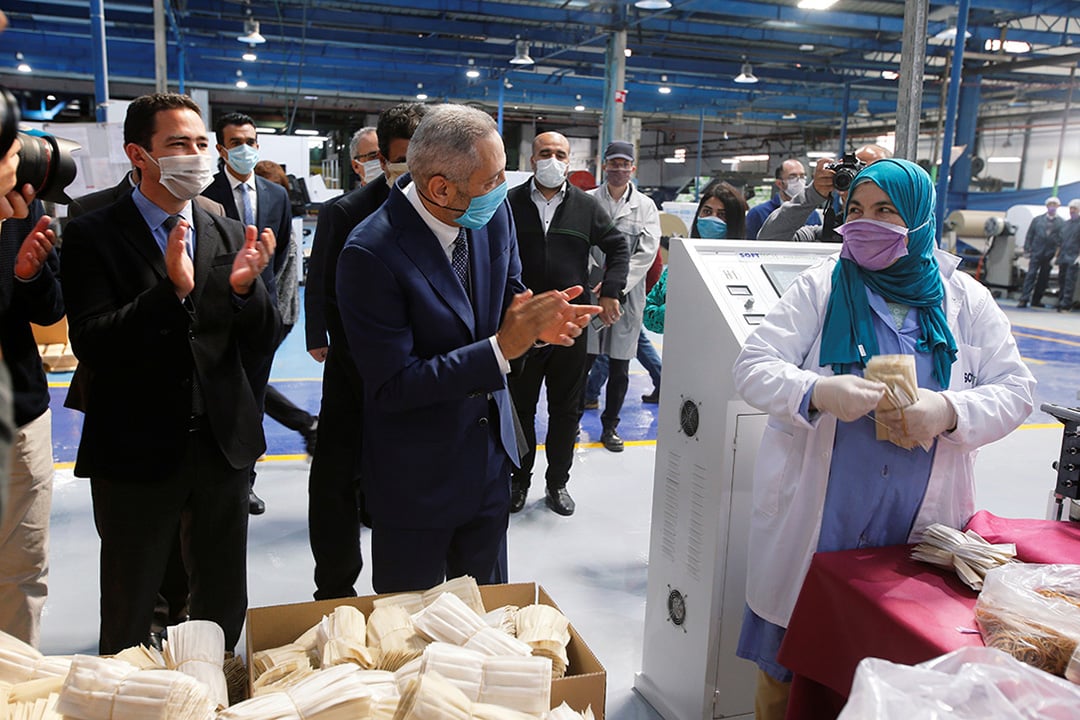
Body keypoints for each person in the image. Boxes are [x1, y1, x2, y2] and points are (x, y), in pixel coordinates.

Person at [731, 158, 1034, 720]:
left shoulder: (963, 299)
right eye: (855, 211)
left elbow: (1016, 390)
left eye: (885, 211)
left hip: (913, 525)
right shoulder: (821, 287)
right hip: (820, 522)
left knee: (891, 674)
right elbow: (752, 368)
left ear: (918, 219)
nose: (864, 224)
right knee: (789, 669)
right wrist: (817, 392)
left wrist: (947, 409)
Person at [336, 104, 599, 593]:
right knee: (410, 635)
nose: (504, 186)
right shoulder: (370, 253)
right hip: (417, 481)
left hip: (488, 462)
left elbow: (510, 294)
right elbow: (394, 385)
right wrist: (501, 349)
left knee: (487, 620)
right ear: (441, 187)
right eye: (492, 177)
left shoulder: (491, 217)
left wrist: (538, 322)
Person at [61, 92, 280, 654]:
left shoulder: (225, 228)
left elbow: (259, 339)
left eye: (202, 144)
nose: (197, 155)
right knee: (132, 602)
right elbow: (90, 339)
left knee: (222, 598)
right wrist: (171, 292)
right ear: (140, 154)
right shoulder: (93, 231)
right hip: (136, 446)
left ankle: (210, 693)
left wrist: (244, 290)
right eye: (178, 144)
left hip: (220, 444)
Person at [305, 102, 425, 601]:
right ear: (385, 158)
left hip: (422, 373)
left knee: (406, 484)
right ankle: (334, 589)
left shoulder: (455, 208)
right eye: (406, 160)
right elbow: (324, 285)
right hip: (355, 370)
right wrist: (323, 338)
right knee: (335, 480)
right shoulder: (346, 213)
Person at [507, 131, 629, 516]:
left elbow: (618, 247)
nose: (552, 160)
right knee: (519, 409)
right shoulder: (508, 204)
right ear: (531, 159)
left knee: (566, 410)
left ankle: (557, 482)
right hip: (522, 326)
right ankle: (518, 481)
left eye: (560, 154)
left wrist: (611, 290)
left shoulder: (585, 206)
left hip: (571, 328)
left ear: (570, 161)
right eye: (545, 153)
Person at [203, 111, 298, 514]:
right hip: (219, 314)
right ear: (222, 149)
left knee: (254, 401)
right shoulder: (205, 196)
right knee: (217, 399)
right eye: (236, 143)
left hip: (262, 315)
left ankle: (247, 485)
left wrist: (272, 305)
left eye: (251, 141)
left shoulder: (276, 195)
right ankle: (216, 480)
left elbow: (281, 260)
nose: (245, 149)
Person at [0, 200, 63, 647]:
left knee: (23, 565)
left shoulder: (22, 210)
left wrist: (29, 275)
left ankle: (15, 690)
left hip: (20, 412)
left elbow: (49, 310)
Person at [583, 141, 661, 452]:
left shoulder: (645, 206)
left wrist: (616, 286)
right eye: (612, 163)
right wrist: (598, 281)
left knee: (619, 365)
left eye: (624, 164)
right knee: (582, 360)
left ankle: (610, 427)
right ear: (604, 166)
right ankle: (572, 418)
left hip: (627, 297)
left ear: (633, 168)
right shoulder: (586, 201)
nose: (618, 168)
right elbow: (579, 246)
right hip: (590, 291)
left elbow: (647, 252)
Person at [644, 180, 747, 335]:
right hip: (680, 349)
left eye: (722, 215)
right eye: (707, 211)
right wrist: (678, 307)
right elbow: (649, 315)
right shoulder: (682, 262)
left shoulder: (742, 268)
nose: (712, 219)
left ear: (734, 222)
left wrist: (680, 306)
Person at [757, 144, 893, 243]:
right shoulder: (828, 234)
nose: (862, 182)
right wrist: (813, 193)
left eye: (873, 174)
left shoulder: (901, 237)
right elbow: (770, 238)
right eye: (856, 172)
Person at [744, 159, 816, 240]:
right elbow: (751, 248)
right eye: (792, 176)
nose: (799, 181)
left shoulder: (812, 213)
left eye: (802, 176)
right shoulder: (758, 213)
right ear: (779, 183)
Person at [1017, 196, 1065, 309]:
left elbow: (1061, 240)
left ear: (1058, 207)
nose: (1052, 207)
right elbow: (1030, 235)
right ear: (1047, 206)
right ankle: (1024, 299)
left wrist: (1056, 255)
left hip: (1049, 254)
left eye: (1054, 205)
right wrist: (1027, 249)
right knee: (1031, 275)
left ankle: (1036, 300)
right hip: (1036, 252)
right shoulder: (1037, 220)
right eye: (1050, 205)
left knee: (1044, 278)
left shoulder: (1061, 222)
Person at [1056, 198, 1080, 312]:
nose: (1072, 211)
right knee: (1061, 280)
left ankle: (1065, 304)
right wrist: (1057, 255)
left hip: (1074, 257)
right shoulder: (1066, 224)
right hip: (1063, 256)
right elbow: (1060, 241)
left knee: (1069, 281)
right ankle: (1060, 300)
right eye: (1071, 208)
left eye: (1074, 209)